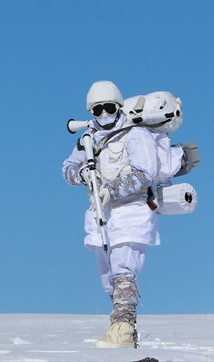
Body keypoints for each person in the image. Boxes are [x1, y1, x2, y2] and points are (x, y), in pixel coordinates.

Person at [62, 81, 160, 348]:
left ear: (118, 107)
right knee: (108, 279)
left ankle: (123, 329)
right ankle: (125, 328)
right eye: (98, 110)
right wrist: (82, 174)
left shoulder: (135, 134)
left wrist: (111, 190)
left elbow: (145, 174)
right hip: (101, 215)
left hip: (131, 211)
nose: (104, 114)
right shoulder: (88, 138)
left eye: (109, 108)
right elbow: (67, 168)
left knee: (123, 269)